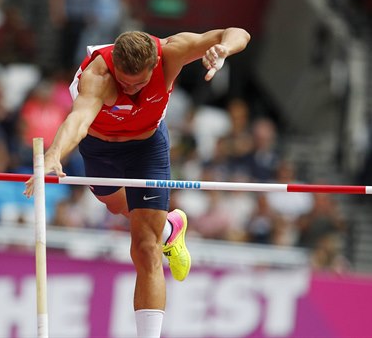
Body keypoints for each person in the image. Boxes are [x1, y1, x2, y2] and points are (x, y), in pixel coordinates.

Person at [24, 28, 250, 337]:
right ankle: (171, 228)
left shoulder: (172, 52)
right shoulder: (99, 75)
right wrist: (54, 154)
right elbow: (77, 120)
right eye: (125, 82)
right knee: (117, 205)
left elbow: (237, 33)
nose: (131, 90)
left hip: (147, 148)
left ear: (154, 63)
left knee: (145, 246)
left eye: (140, 82)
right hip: (100, 146)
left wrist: (223, 50)